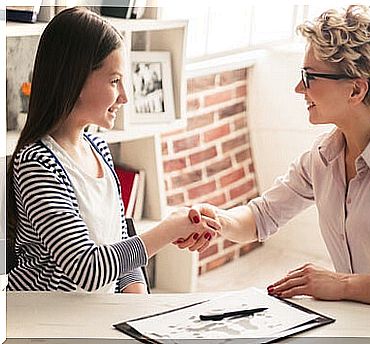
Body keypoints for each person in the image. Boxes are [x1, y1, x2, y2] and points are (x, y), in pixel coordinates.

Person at [176, 5, 370, 313]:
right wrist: (215, 219)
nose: (298, 88)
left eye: (309, 77)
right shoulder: (322, 158)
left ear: (356, 90)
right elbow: (260, 218)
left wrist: (343, 285)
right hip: (353, 324)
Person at [6, 7, 217, 293]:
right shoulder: (38, 164)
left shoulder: (98, 148)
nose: (125, 97)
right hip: (48, 323)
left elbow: (120, 244)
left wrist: (139, 308)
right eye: (114, 81)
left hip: (94, 316)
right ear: (75, 79)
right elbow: (88, 269)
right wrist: (168, 230)